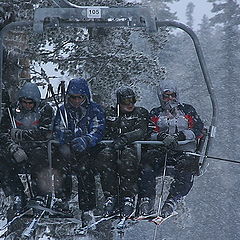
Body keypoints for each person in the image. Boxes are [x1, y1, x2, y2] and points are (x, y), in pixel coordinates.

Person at [138, 83, 204, 217]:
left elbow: (198, 129)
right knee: (146, 164)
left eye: (172, 96)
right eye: (166, 96)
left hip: (183, 151)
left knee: (186, 167)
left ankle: (172, 199)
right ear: (161, 97)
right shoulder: (156, 113)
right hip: (162, 150)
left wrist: (182, 135)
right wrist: (161, 136)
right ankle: (147, 198)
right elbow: (149, 131)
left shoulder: (187, 110)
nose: (169, 99)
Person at [53, 78, 105, 227]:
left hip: (89, 150)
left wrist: (85, 139)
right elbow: (57, 128)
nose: (76, 101)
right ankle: (62, 200)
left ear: (85, 97)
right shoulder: (63, 110)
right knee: (60, 162)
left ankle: (87, 209)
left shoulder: (95, 109)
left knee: (85, 169)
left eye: (79, 97)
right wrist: (65, 135)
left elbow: (98, 130)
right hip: (68, 148)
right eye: (73, 97)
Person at [96, 86, 149, 218]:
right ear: (119, 101)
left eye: (132, 100)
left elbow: (141, 131)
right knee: (105, 156)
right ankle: (110, 195)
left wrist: (125, 138)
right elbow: (102, 129)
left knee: (127, 158)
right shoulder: (111, 113)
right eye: (125, 101)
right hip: (112, 147)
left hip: (132, 148)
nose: (130, 104)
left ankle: (128, 196)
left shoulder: (140, 113)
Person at [0, 82, 54, 212]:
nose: (27, 106)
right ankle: (17, 194)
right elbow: (3, 133)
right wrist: (13, 148)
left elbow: (45, 132)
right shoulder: (12, 110)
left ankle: (40, 196)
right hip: (17, 150)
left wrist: (21, 135)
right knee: (2, 163)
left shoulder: (44, 110)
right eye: (24, 102)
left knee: (40, 159)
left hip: (38, 149)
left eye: (30, 103)